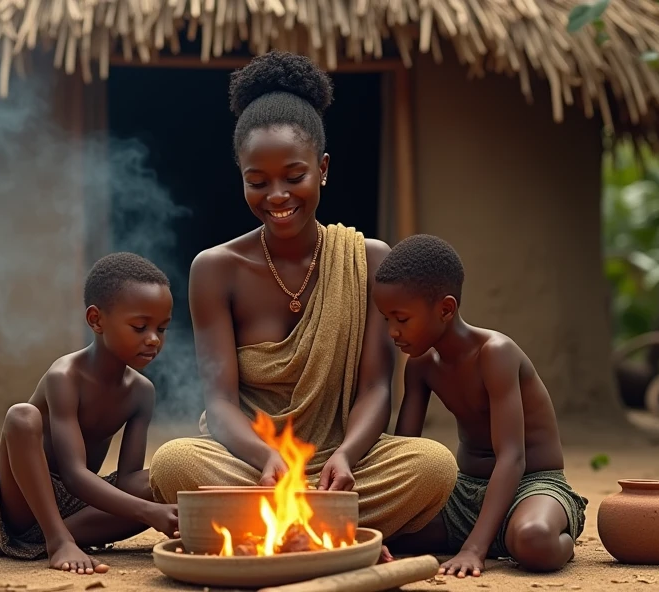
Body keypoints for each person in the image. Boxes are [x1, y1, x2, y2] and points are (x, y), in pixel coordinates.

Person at [148, 51, 458, 551]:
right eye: (258, 181)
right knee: (174, 462)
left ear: (324, 169)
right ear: (241, 178)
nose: (277, 195)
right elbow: (221, 403)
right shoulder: (215, 269)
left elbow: (377, 389)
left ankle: (276, 529)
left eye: (294, 177)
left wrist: (348, 457)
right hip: (251, 466)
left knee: (433, 465)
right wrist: (266, 458)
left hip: (344, 467)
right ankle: (331, 531)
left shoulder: (369, 260)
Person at [0, 252, 181, 574]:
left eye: (161, 329)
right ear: (96, 320)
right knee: (22, 416)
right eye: (139, 327)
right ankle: (57, 540)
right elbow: (73, 474)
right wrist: (147, 513)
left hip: (78, 503)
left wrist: (162, 501)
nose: (153, 339)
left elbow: (127, 482)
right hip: (20, 494)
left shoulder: (141, 392)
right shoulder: (65, 377)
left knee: (159, 481)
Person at [372, 234, 589, 577]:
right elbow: (406, 451)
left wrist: (474, 549)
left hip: (531, 485)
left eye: (401, 318)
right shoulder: (421, 366)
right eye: (386, 319)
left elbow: (513, 457)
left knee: (534, 542)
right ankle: (497, 535)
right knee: (391, 538)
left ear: (445, 309)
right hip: (464, 495)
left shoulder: (495, 354)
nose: (392, 332)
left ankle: (561, 529)